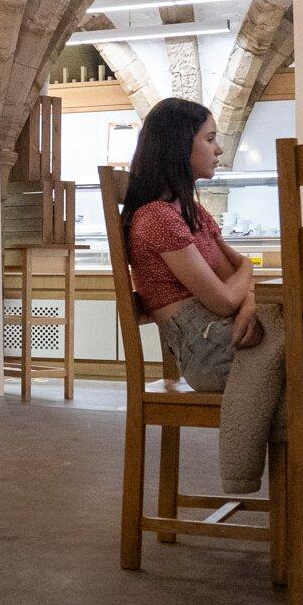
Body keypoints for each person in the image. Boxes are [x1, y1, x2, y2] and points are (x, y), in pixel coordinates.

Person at [118, 98, 259, 393]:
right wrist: (246, 269)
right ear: (179, 145)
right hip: (209, 353)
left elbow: (233, 282)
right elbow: (224, 298)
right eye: (210, 139)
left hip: (222, 336)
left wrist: (249, 304)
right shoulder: (157, 216)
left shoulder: (192, 211)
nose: (219, 149)